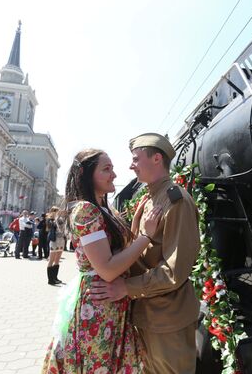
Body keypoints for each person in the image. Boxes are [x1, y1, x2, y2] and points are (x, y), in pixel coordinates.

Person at [42, 148, 162, 373]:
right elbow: (106, 269)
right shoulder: (86, 211)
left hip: (110, 302)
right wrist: (147, 236)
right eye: (106, 169)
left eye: (113, 169)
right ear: (86, 176)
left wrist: (136, 222)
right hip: (99, 306)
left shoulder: (104, 208)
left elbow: (120, 248)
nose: (114, 174)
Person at [90, 133, 201, 374]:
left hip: (168, 319)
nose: (130, 165)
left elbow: (175, 270)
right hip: (148, 314)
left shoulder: (176, 201)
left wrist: (126, 288)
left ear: (157, 159)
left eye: (136, 159)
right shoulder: (148, 199)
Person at [45, 207, 66, 285]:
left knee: (57, 259)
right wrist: (56, 218)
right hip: (54, 240)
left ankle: (55, 278)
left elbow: (64, 226)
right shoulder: (50, 220)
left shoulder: (61, 219)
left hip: (61, 240)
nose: (58, 212)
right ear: (52, 212)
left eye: (58, 211)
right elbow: (51, 226)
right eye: (56, 211)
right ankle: (50, 280)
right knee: (51, 259)